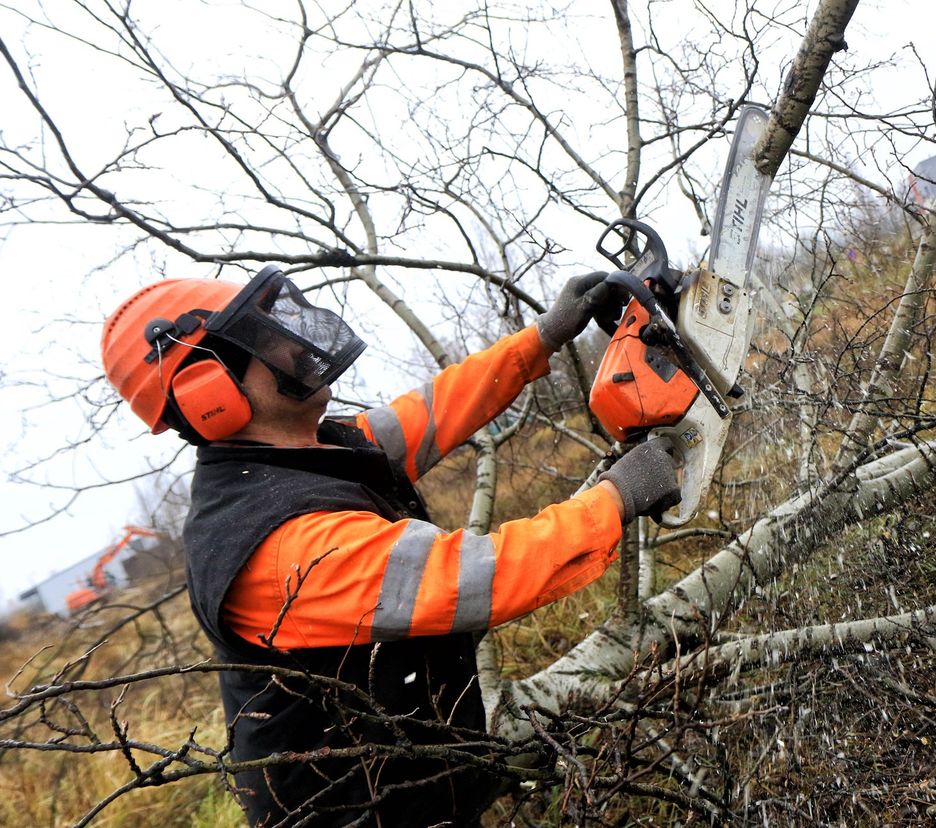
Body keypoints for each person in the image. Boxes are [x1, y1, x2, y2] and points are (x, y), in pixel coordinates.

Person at [100, 265, 680, 826]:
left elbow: (433, 411)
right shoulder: (277, 546)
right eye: (262, 336)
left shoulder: (310, 449)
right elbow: (476, 577)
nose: (292, 342)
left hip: (421, 779)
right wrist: (617, 497)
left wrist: (544, 336)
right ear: (209, 391)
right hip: (360, 811)